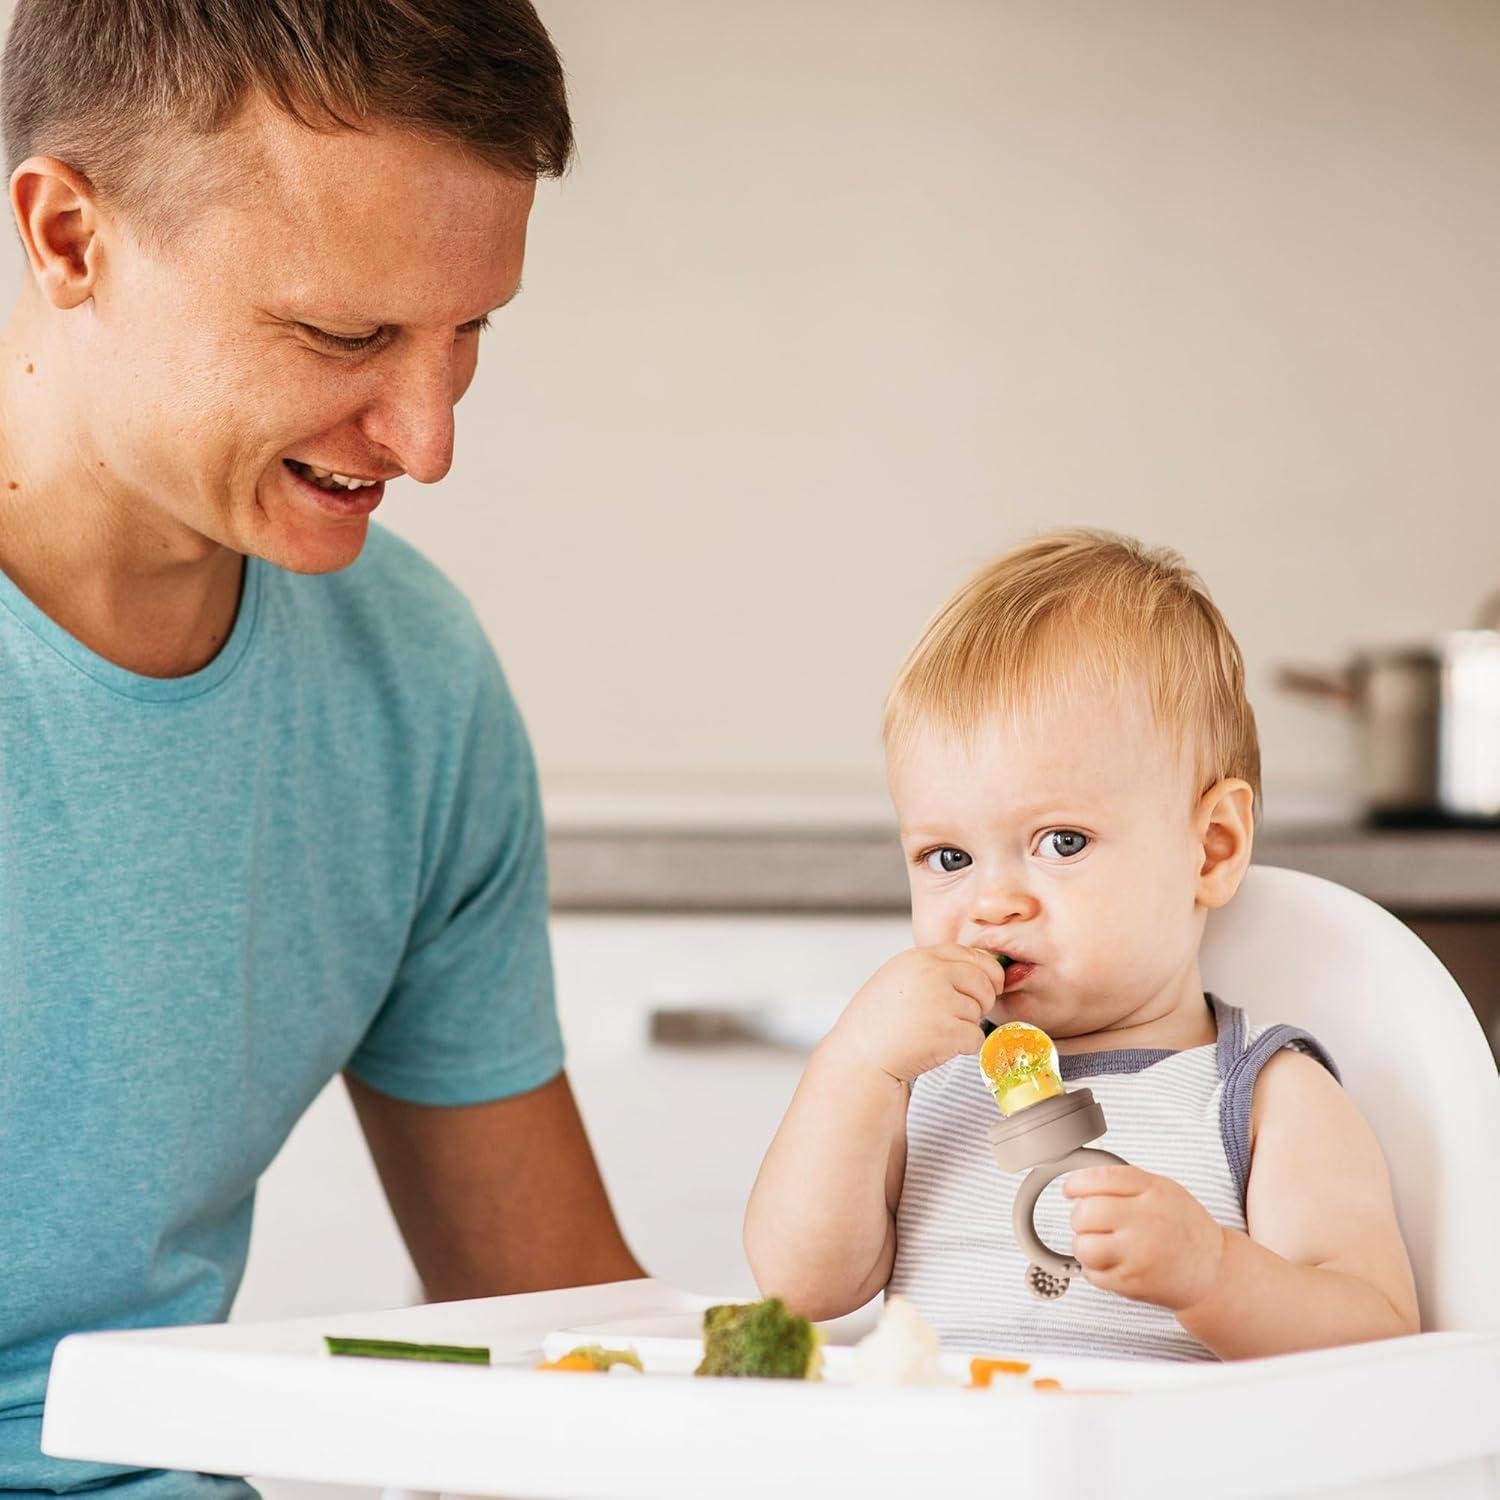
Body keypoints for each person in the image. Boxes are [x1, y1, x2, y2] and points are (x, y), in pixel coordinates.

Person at [0, 3, 641, 1495]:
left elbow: (550, 1318)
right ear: (71, 235)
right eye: (343, 334)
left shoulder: (409, 683)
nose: (425, 441)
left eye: (468, 331)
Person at [745, 530, 1418, 1361]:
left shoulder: (1264, 1096)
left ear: (1209, 847)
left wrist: (1211, 1274)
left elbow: (1379, 1335)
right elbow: (801, 1289)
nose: (992, 904)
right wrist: (853, 1064)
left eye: (1061, 842)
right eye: (948, 859)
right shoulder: (921, 1083)